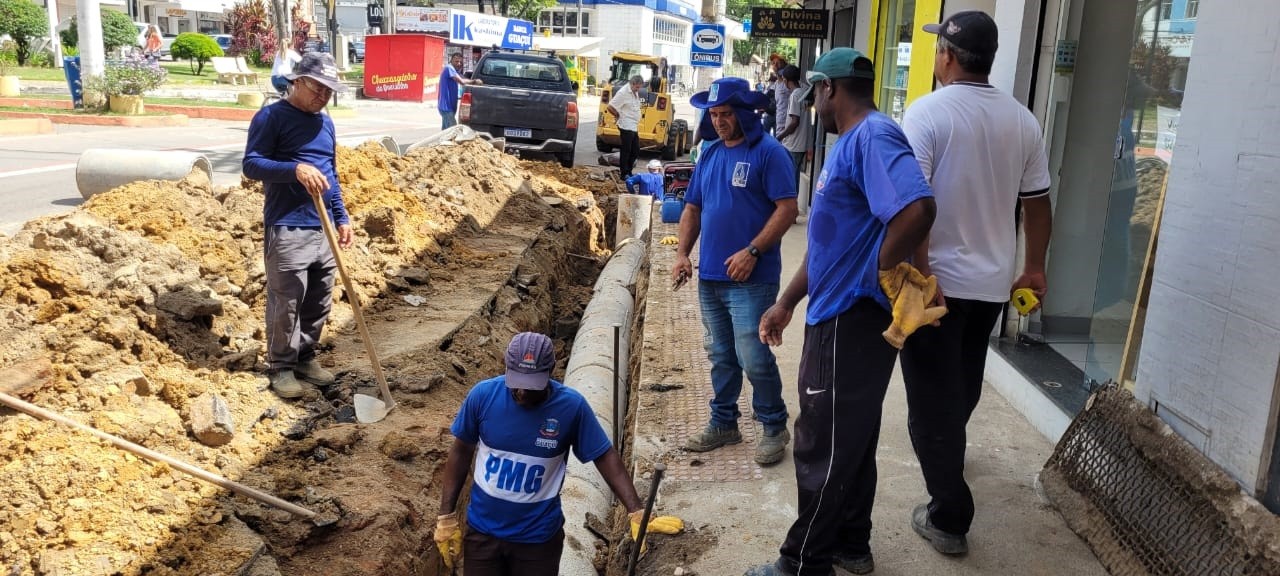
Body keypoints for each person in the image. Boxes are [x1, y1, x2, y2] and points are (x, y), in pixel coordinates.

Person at [748, 48, 937, 576]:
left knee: (821, 442)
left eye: (815, 97)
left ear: (829, 89)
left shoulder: (873, 136)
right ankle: (851, 542)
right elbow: (827, 244)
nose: (813, 109)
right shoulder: (850, 145)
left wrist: (875, 270)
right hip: (837, 314)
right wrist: (787, 302)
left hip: (849, 318)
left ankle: (805, 561)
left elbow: (918, 208)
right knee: (852, 433)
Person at [897, 10, 1052, 556]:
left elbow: (916, 204)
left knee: (928, 403)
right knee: (960, 383)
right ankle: (949, 454)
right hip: (989, 285)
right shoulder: (1022, 120)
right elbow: (1038, 205)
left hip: (937, 284)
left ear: (949, 56)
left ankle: (948, 515)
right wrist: (1035, 266)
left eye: (940, 48)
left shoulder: (927, 114)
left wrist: (923, 274)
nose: (937, 55)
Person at [435, 332, 677, 575]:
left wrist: (636, 511)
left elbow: (604, 455)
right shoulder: (483, 396)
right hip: (482, 535)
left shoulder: (570, 408)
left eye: (531, 387)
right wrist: (446, 516)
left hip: (537, 541)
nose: (521, 392)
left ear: (551, 371)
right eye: (516, 382)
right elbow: (461, 451)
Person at [671, 77, 798, 466]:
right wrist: (681, 255)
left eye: (726, 114)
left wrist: (753, 250)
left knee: (754, 356)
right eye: (714, 114)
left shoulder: (769, 153)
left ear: (745, 113)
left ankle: (774, 426)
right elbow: (692, 208)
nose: (719, 121)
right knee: (721, 355)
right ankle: (724, 422)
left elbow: (787, 209)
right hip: (710, 277)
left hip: (751, 279)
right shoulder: (708, 153)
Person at [242, 52, 353, 399]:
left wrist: (341, 216)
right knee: (286, 300)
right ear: (297, 81)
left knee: (318, 300)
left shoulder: (326, 123)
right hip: (288, 225)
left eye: (329, 92)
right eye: (318, 89)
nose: (323, 97)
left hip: (322, 227)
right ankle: (282, 367)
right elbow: (252, 164)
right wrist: (294, 170)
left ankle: (305, 357)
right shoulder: (271, 117)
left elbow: (330, 173)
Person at [773, 65, 812, 189]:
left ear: (785, 80)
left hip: (793, 145)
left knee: (789, 179)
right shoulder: (805, 91)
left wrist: (779, 137)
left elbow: (794, 122)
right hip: (801, 144)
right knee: (794, 177)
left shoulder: (794, 96)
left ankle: (791, 206)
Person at [607, 75, 645, 178]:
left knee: (635, 150)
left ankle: (628, 171)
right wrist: (617, 115)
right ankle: (624, 173)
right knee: (626, 150)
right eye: (637, 87)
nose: (638, 89)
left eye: (639, 87)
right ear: (632, 84)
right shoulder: (623, 93)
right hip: (625, 125)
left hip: (633, 125)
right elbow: (610, 106)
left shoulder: (634, 92)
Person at [439, 51, 482, 130]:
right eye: (456, 61)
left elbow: (463, 78)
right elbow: (461, 81)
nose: (459, 64)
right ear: (451, 61)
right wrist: (474, 81)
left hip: (450, 107)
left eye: (460, 62)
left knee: (445, 132)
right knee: (454, 131)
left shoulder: (455, 71)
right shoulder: (449, 68)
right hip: (446, 107)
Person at [771, 56, 793, 137]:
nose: (775, 65)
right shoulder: (776, 84)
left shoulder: (789, 83)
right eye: (773, 63)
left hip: (788, 128)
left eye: (778, 63)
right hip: (779, 125)